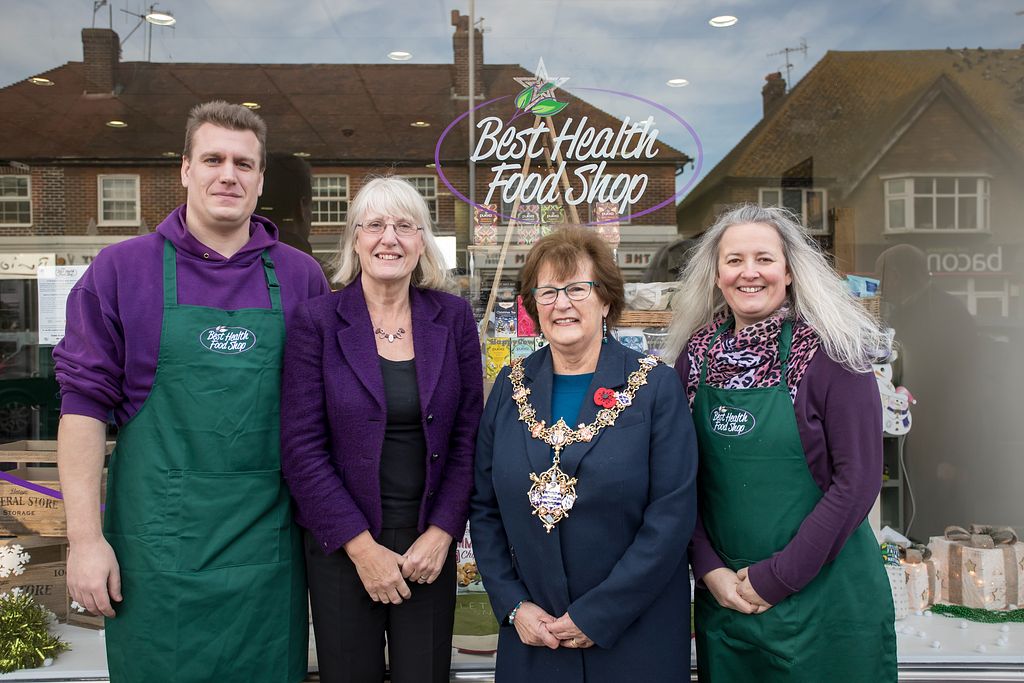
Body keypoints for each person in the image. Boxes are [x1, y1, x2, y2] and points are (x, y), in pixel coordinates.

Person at [54, 101, 330, 682]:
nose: (227, 174)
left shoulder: (302, 277)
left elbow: (325, 414)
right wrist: (84, 540)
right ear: (185, 170)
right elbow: (82, 410)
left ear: (259, 181)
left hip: (267, 557)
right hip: (155, 557)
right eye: (212, 159)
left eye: (243, 164)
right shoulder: (120, 270)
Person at [669, 204, 897, 681]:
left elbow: (856, 483)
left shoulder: (835, 354)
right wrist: (708, 568)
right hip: (729, 600)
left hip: (826, 601)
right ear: (716, 273)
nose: (749, 273)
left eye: (764, 259)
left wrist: (778, 577)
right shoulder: (695, 356)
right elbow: (678, 478)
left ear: (790, 270)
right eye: (733, 260)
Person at [470, 227, 698, 683]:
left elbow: (671, 515)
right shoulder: (510, 389)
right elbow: (484, 507)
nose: (562, 303)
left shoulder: (655, 387)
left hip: (634, 635)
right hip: (536, 637)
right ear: (534, 306)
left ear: (606, 300)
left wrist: (600, 613)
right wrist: (514, 605)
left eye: (577, 288)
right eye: (548, 291)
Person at [280, 176, 483, 683]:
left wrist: (443, 533)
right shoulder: (317, 321)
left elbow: (468, 436)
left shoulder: (453, 317)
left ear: (422, 243)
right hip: (343, 547)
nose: (389, 238)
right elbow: (301, 448)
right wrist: (361, 548)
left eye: (404, 226)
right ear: (355, 239)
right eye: (374, 225)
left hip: (426, 550)